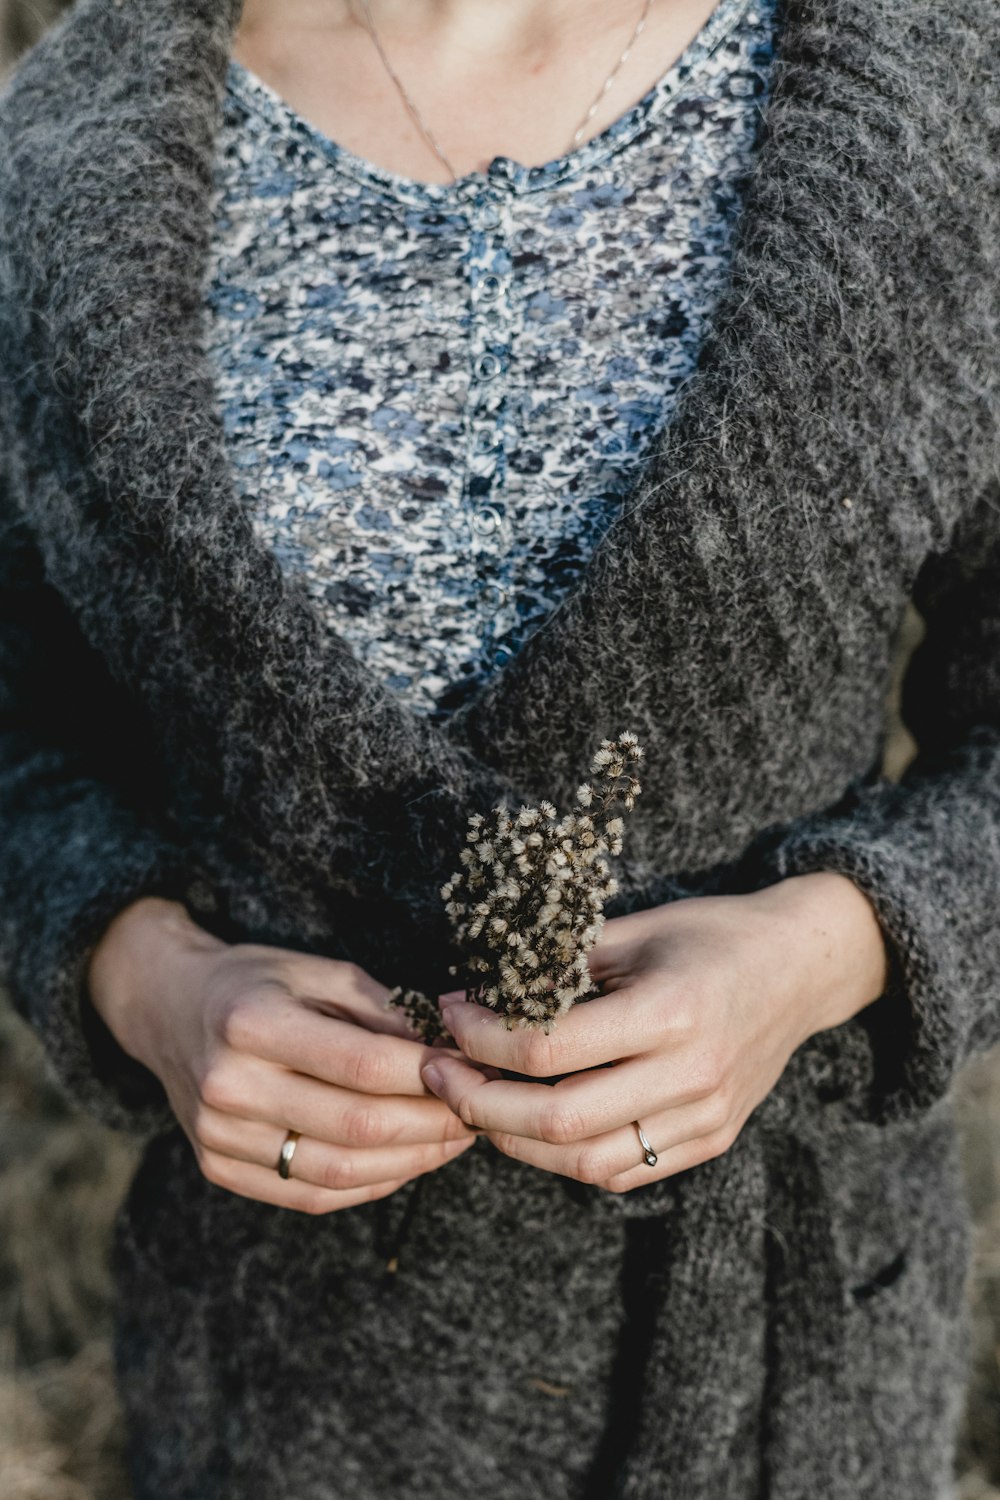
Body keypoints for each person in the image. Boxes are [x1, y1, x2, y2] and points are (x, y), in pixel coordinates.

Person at [0, 0, 996, 1495]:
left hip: (775, 1379)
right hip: (281, 1377)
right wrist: (147, 984)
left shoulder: (933, 106)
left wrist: (827, 950)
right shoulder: (67, 157)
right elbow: (24, 733)